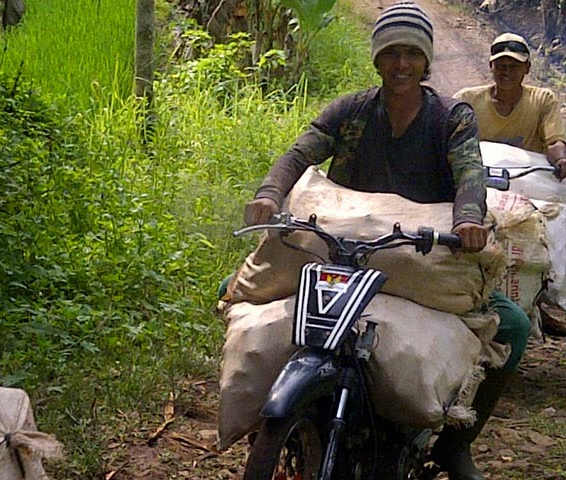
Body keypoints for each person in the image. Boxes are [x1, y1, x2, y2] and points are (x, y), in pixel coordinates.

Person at [242, 3, 531, 480]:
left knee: (513, 327)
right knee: (238, 293)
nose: (401, 64)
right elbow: (300, 152)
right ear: (376, 58)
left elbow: (470, 175)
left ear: (426, 61)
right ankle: (274, 423)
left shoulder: (451, 118)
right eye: (391, 53)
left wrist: (467, 221)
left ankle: (454, 446)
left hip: (422, 259)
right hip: (343, 253)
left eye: (412, 54)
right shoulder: (350, 112)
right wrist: (270, 193)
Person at [454, 32, 566, 179]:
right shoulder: (467, 100)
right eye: (501, 66)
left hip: (529, 180)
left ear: (527, 68)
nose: (506, 72)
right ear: (491, 66)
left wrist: (560, 159)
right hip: (478, 178)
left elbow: (554, 142)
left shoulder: (543, 100)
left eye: (514, 66)